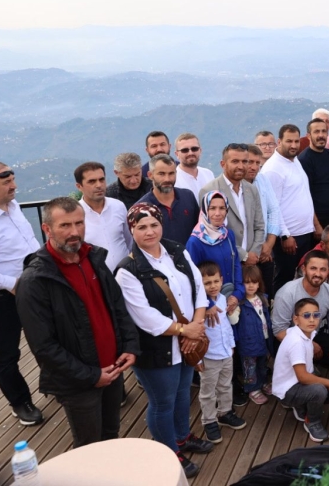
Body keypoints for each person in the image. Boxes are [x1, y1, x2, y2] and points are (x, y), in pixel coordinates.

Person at [17, 197, 139, 447]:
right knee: (88, 446)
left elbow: (117, 306)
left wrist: (129, 346)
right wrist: (91, 375)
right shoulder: (35, 281)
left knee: (111, 435)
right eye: (65, 225)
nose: (74, 232)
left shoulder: (94, 258)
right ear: (47, 229)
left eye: (79, 223)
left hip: (113, 368)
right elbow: (44, 347)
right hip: (79, 383)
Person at [115, 203, 212, 478]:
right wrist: (186, 331)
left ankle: (182, 437)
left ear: (161, 225)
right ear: (131, 230)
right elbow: (145, 317)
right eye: (141, 227)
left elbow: (198, 287)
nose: (149, 231)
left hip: (186, 340)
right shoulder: (127, 270)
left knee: (182, 393)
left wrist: (196, 327)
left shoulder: (177, 251)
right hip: (156, 348)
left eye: (154, 225)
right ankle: (168, 452)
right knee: (162, 402)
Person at [0, 162, 44, 425]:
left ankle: (55, 385)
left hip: (32, 289)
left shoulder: (12, 206)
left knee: (46, 340)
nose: (14, 186)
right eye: (6, 182)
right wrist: (11, 283)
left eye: (13, 180)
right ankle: (19, 402)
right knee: (7, 354)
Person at [272, 297, 329, 442]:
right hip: (288, 389)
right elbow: (303, 377)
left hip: (298, 381)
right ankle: (312, 421)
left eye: (316, 315)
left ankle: (301, 405)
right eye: (306, 315)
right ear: (296, 319)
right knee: (320, 391)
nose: (312, 319)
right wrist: (328, 383)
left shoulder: (305, 333)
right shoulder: (296, 342)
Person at [261, 124, 318, 290]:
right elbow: (272, 207)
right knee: (284, 279)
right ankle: (279, 306)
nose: (293, 145)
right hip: (289, 237)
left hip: (305, 232)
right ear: (279, 141)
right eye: (289, 141)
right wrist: (285, 235)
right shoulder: (273, 169)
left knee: (301, 277)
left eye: (296, 141)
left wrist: (314, 224)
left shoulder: (294, 160)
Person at [195, 262, 245, 444]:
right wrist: (198, 358)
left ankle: (224, 412)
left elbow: (225, 325)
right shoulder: (199, 307)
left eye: (216, 281)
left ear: (222, 280)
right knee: (208, 391)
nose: (213, 286)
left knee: (225, 385)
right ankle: (209, 420)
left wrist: (231, 345)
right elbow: (197, 333)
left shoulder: (223, 299)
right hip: (209, 355)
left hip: (225, 352)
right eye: (207, 283)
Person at [271, 251, 329, 369]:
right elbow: (279, 330)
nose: (318, 274)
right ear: (304, 269)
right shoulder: (287, 293)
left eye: (323, 270)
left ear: (328, 272)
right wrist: (309, 345)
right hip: (289, 337)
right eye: (313, 268)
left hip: (313, 333)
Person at [200, 143, 265, 267]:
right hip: (225, 262)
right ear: (223, 164)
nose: (241, 166)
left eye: (244, 161)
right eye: (235, 161)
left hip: (252, 262)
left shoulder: (251, 190)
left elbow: (259, 225)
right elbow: (212, 231)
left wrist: (254, 253)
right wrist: (244, 256)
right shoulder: (210, 190)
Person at [185, 191, 245, 309]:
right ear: (205, 210)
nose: (217, 213)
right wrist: (209, 304)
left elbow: (236, 265)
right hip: (211, 307)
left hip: (232, 300)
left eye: (222, 208)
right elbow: (192, 278)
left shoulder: (228, 235)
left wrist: (237, 294)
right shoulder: (195, 242)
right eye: (212, 208)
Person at [75, 161, 133, 272]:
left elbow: (129, 241)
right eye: (92, 181)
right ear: (79, 186)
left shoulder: (118, 206)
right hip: (96, 277)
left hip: (126, 273)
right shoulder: (75, 215)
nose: (99, 185)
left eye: (101, 180)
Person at [232, 265, 274, 405]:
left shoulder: (263, 299)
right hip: (248, 342)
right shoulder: (240, 303)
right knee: (250, 367)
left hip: (263, 338)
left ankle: (263, 383)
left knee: (262, 364)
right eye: (247, 282)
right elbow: (234, 321)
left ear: (259, 283)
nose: (251, 285)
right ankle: (252, 389)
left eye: (254, 282)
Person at [136, 153, 200, 245]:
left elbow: (198, 230)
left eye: (171, 173)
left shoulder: (188, 196)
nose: (167, 179)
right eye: (161, 174)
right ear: (150, 175)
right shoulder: (141, 208)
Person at [245, 144, 281, 298]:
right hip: (245, 254)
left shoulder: (263, 179)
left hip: (265, 250)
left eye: (257, 163)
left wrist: (269, 245)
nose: (254, 167)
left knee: (266, 293)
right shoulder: (235, 186)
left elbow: (274, 210)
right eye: (250, 162)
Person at [299, 118, 329, 228]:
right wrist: (316, 225)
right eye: (316, 132)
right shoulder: (304, 160)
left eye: (324, 131)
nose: (321, 135)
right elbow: (306, 196)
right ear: (308, 136)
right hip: (318, 217)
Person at [173, 133, 215, 201]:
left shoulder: (208, 174)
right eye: (185, 150)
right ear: (177, 154)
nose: (190, 153)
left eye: (194, 149)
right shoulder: (173, 178)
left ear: (200, 151)